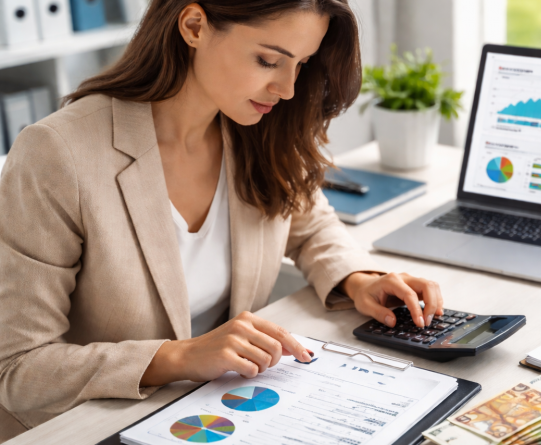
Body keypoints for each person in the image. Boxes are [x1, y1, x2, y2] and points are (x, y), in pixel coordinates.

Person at [0, 0, 444, 439]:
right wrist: (178, 358)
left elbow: (308, 223)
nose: (287, 88)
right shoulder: (58, 153)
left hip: (225, 413)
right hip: (101, 424)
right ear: (194, 26)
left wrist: (359, 278)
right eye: (268, 60)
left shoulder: (258, 129)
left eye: (302, 64)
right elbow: (18, 368)